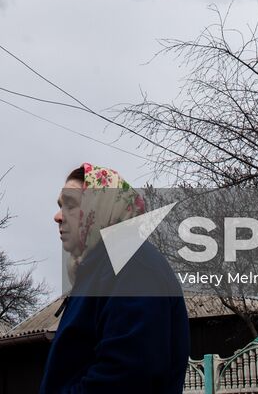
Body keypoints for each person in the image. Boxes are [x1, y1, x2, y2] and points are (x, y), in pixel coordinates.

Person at [40, 162, 190, 393]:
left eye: (70, 205)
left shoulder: (132, 265)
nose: (57, 216)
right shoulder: (100, 268)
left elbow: (127, 376)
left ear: (100, 207)